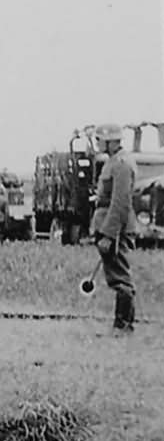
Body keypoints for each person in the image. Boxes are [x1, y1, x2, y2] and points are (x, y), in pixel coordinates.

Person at [91, 123, 137, 332]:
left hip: (114, 227)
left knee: (119, 277)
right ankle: (123, 324)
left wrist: (109, 235)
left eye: (100, 139)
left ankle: (123, 325)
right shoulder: (114, 162)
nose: (97, 143)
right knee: (116, 275)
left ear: (111, 141)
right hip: (107, 223)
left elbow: (120, 202)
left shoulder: (121, 164)